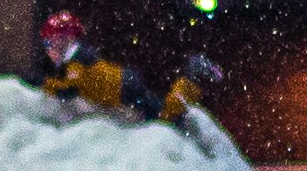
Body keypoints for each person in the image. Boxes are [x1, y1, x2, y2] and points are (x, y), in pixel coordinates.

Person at [36, 10, 220, 125]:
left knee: (165, 114)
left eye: (50, 43)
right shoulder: (79, 58)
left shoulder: (77, 59)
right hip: (123, 85)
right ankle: (189, 84)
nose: (48, 49)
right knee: (161, 112)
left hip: (124, 88)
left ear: (65, 39)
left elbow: (69, 88)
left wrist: (43, 83)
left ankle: (192, 75)